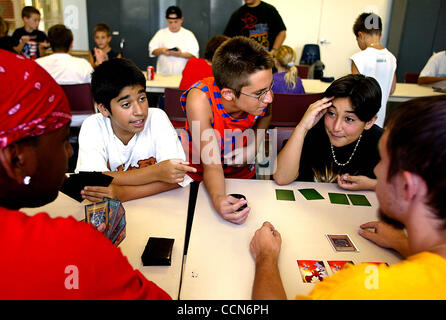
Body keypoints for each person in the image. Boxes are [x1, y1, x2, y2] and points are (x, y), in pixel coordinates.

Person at [0, 49, 170, 299]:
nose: (70, 150)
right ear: (16, 159)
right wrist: (93, 255)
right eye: (62, 139)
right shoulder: (68, 246)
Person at [251, 95, 446, 300]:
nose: (377, 170)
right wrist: (403, 244)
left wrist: (266, 256)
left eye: (386, 160)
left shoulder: (361, 287)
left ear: (408, 186)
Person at [179, 36, 273, 224]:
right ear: (228, 94)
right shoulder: (200, 100)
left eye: (270, 87)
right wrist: (218, 199)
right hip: (199, 180)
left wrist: (253, 148)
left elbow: (267, 115)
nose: (269, 98)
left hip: (242, 176)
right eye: (260, 94)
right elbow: (211, 164)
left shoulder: (261, 91)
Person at [75, 58, 196, 203]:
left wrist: (122, 193)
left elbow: (177, 178)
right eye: (126, 104)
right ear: (104, 108)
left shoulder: (157, 118)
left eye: (142, 98)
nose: (139, 111)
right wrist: (157, 172)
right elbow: (92, 183)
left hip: (159, 208)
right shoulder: (93, 126)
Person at [273, 74, 382, 191]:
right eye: (331, 113)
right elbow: (281, 178)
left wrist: (372, 184)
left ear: (369, 122)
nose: (336, 127)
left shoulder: (382, 142)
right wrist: (302, 127)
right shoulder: (313, 132)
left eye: (349, 119)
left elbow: (401, 190)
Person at [350, 12, 397, 128]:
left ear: (361, 35)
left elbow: (355, 92)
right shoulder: (391, 58)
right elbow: (391, 89)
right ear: (380, 35)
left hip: (361, 120)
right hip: (379, 121)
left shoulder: (358, 58)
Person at [148, 6, 199, 75]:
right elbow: (152, 51)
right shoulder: (160, 33)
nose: (173, 25)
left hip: (182, 76)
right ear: (167, 20)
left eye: (176, 22)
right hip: (163, 75)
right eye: (170, 22)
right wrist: (162, 50)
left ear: (181, 19)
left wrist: (180, 54)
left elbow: (194, 55)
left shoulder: (188, 35)